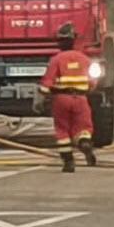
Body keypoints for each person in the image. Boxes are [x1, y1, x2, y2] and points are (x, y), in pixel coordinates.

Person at [39, 23, 97, 173]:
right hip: (81, 99)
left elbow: (46, 83)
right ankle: (84, 143)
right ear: (74, 40)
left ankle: (68, 162)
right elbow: (92, 82)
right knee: (84, 127)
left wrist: (42, 96)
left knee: (62, 130)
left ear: (59, 42)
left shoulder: (56, 60)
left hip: (61, 99)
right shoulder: (84, 59)